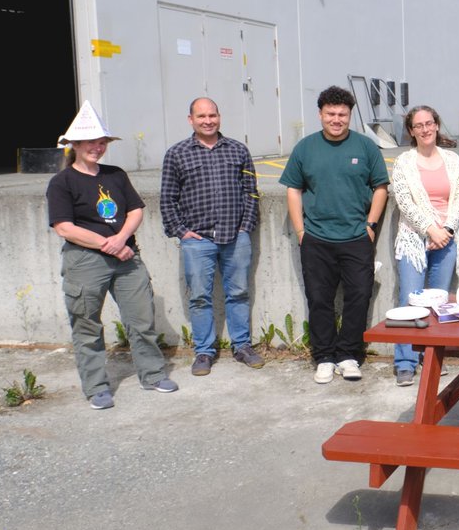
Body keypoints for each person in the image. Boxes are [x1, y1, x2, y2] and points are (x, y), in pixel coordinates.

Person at [46, 101, 178, 409]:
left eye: (101, 141)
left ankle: (153, 374)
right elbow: (64, 228)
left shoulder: (115, 174)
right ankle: (96, 387)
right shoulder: (62, 182)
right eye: (90, 141)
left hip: (126, 255)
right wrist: (109, 245)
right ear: (75, 145)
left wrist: (119, 239)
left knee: (141, 318)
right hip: (85, 260)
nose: (97, 147)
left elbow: (135, 210)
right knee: (87, 325)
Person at [280, 86, 389, 385]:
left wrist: (370, 226)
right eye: (331, 113)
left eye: (342, 114)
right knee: (319, 299)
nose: (336, 119)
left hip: (356, 237)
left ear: (350, 115)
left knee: (359, 296)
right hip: (316, 238)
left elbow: (381, 187)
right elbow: (293, 189)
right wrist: (300, 230)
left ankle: (349, 355)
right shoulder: (305, 148)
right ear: (320, 114)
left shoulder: (366, 147)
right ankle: (324, 357)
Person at [160, 97, 263, 377]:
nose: (208, 121)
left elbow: (250, 192)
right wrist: (181, 232)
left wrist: (246, 226)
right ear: (190, 119)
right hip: (197, 241)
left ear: (219, 116)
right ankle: (204, 352)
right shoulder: (177, 154)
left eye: (213, 115)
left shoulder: (238, 150)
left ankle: (242, 346)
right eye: (202, 116)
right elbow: (168, 199)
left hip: (235, 236)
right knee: (200, 298)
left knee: (239, 293)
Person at [390, 105, 459, 386]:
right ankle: (406, 361)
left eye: (429, 123)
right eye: (418, 125)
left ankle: (431, 357)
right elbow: (404, 202)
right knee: (410, 302)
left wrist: (445, 230)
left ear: (437, 125)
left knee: (438, 302)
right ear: (411, 131)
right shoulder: (404, 162)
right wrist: (430, 229)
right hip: (414, 239)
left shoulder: (453, 160)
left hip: (446, 239)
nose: (425, 129)